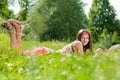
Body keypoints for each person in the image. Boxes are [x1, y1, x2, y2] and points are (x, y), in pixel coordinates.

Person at [1, 19, 93, 55]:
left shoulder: (83, 48)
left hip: (46, 52)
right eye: (83, 37)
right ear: (79, 38)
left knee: (19, 53)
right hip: (45, 53)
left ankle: (18, 29)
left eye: (87, 38)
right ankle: (13, 30)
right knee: (17, 54)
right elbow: (82, 61)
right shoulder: (78, 43)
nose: (85, 40)